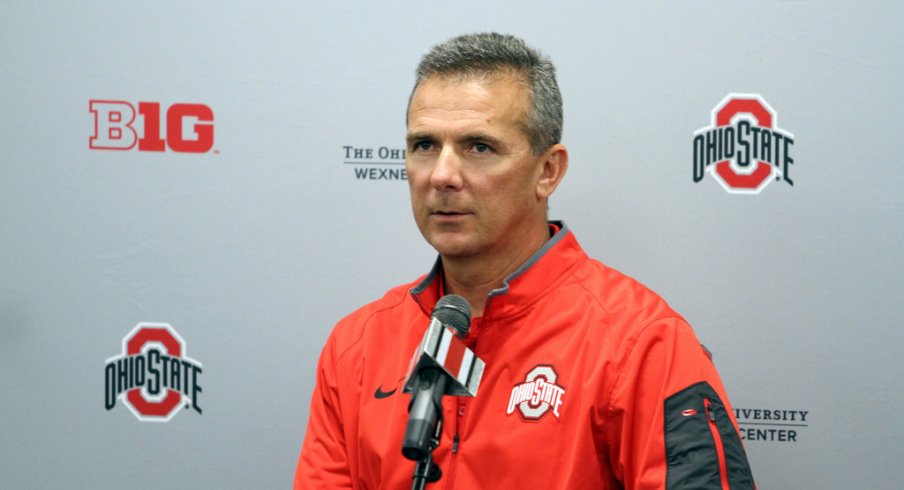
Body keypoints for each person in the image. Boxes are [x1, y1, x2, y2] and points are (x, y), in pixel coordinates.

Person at [294, 32, 755, 489]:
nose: (442, 175)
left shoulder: (642, 343)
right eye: (424, 145)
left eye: (479, 147)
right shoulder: (357, 345)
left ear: (547, 171)